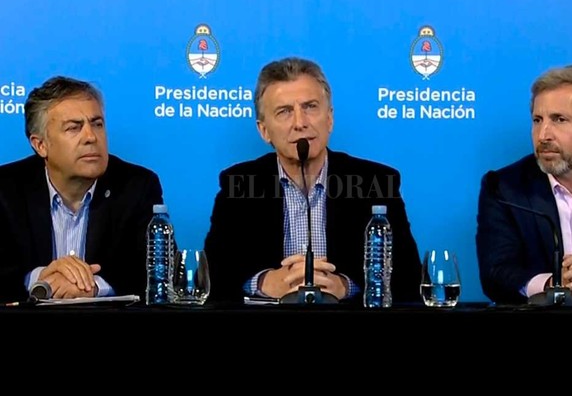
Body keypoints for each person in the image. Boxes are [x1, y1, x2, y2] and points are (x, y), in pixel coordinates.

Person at [204, 57, 421, 304]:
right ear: (264, 130)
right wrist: (263, 282)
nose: (300, 123)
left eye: (310, 107)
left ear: (329, 119)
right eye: (284, 111)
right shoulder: (239, 183)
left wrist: (344, 286)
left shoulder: (376, 182)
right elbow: (212, 276)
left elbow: (409, 278)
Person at [0, 76, 164, 302]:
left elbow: (158, 272)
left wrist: (93, 286)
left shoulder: (137, 186)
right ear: (41, 145)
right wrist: (41, 279)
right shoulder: (5, 190)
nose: (90, 137)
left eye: (97, 124)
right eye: (73, 128)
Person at [476, 64, 572, 305]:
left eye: (559, 119)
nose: (543, 135)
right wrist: (555, 285)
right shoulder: (504, 188)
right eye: (537, 120)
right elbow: (496, 273)